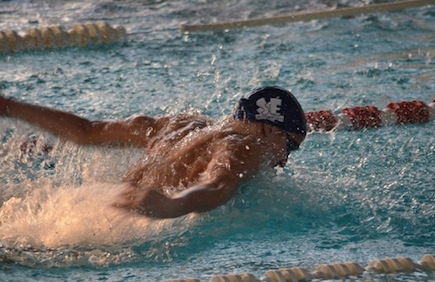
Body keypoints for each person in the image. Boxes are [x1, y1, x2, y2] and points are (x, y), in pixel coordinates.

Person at [0, 86, 307, 219]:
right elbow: (218, 184)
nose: (285, 158)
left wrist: (10, 107)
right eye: (289, 144)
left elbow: (85, 131)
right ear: (267, 128)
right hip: (125, 225)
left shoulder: (179, 125)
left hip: (89, 205)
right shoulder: (246, 146)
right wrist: (172, 205)